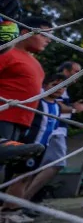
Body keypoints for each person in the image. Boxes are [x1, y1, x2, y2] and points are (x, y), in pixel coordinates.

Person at [20, 60, 83, 201]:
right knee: (53, 164)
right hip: (50, 132)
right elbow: (56, 105)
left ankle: (26, 199)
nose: (78, 75)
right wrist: (75, 108)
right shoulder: (51, 88)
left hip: (52, 131)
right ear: (67, 71)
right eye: (76, 72)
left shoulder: (62, 90)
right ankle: (24, 199)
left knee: (38, 167)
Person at [0, 74, 62, 223]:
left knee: (27, 177)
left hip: (42, 146)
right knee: (20, 177)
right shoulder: (36, 102)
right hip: (28, 145)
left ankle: (13, 208)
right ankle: (9, 210)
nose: (60, 89)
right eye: (55, 84)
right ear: (46, 85)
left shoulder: (57, 107)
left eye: (63, 86)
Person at [0, 16, 51, 165]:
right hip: (4, 115)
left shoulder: (35, 62)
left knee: (3, 165)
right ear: (24, 32)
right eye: (43, 35)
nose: (48, 40)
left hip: (22, 120)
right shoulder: (7, 52)